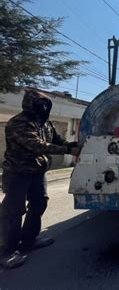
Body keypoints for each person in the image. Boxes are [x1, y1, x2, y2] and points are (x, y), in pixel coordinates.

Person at [0, 89, 80, 269]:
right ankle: (7, 251)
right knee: (13, 211)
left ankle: (29, 240)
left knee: (39, 203)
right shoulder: (19, 123)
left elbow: (58, 140)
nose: (44, 107)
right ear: (30, 104)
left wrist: (72, 145)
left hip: (37, 172)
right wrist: (68, 151)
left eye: (46, 104)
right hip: (17, 173)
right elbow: (37, 145)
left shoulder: (44, 123)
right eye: (40, 104)